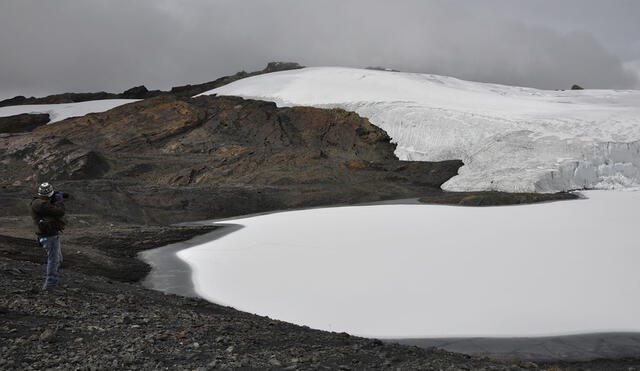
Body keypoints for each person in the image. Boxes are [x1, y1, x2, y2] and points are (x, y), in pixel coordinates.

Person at [30, 182, 68, 289]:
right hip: (49, 236)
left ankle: (52, 281)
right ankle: (50, 285)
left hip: (50, 235)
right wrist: (59, 200)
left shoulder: (39, 202)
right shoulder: (41, 205)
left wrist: (54, 198)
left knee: (58, 259)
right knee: (53, 260)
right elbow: (60, 212)